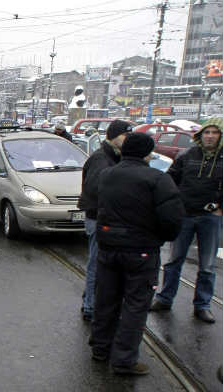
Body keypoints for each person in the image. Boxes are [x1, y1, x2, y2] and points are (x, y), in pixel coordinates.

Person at [90, 133, 184, 375]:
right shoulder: (158, 179)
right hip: (141, 250)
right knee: (135, 305)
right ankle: (124, 360)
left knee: (106, 300)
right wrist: (159, 237)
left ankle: (100, 348)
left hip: (109, 247)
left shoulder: (107, 174)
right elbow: (172, 219)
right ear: (147, 153)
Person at [150, 118, 223, 323]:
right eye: (206, 132)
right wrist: (172, 205)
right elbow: (171, 180)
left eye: (214, 133)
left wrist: (220, 208)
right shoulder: (187, 155)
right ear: (200, 135)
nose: (210, 136)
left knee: (207, 265)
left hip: (210, 217)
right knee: (174, 260)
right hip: (185, 215)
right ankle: (165, 298)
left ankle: (202, 305)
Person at [77, 119, 133, 321]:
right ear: (113, 136)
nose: (127, 139)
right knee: (97, 264)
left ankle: (90, 299)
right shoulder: (102, 158)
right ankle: (90, 306)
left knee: (101, 263)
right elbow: (95, 189)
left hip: (105, 217)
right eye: (125, 135)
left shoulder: (115, 156)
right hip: (99, 218)